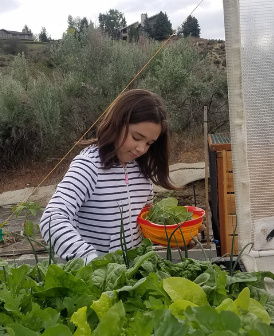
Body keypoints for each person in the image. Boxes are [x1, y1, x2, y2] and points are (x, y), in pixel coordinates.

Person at [40, 89, 176, 263]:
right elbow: (52, 218)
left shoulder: (142, 170)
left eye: (149, 143)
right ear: (117, 124)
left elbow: (142, 223)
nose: (141, 149)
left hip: (133, 276)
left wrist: (175, 236)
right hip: (99, 281)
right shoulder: (88, 166)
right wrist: (91, 261)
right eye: (136, 137)